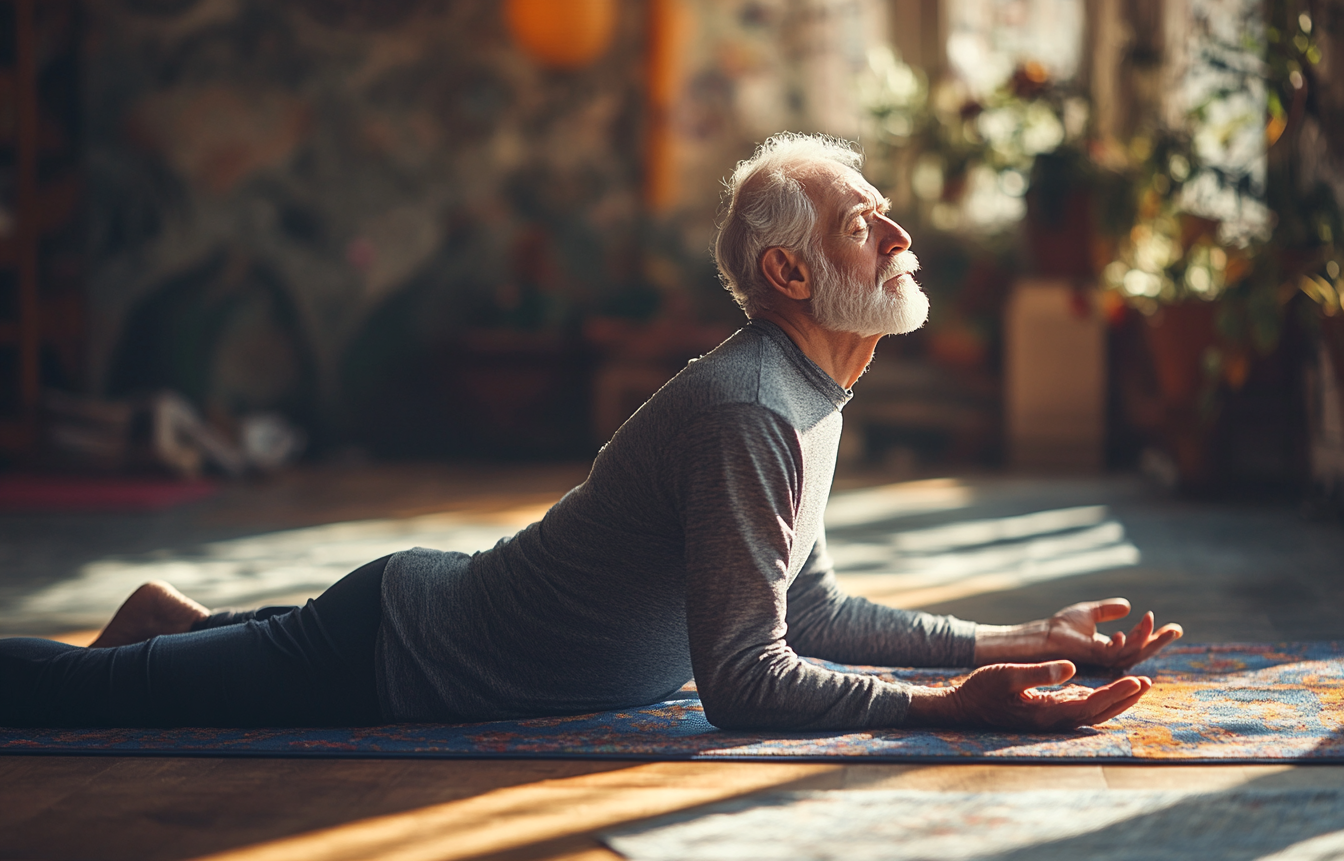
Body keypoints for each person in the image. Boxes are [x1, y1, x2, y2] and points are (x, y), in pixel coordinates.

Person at [0, 133, 1181, 732]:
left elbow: (805, 610)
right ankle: (171, 643)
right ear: (790, 269)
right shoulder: (753, 410)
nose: (899, 230)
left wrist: (1021, 635)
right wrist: (945, 706)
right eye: (863, 219)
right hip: (402, 652)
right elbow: (744, 680)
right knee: (82, 699)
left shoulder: (800, 398)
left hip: (419, 611)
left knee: (182, 663)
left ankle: (182, 629)